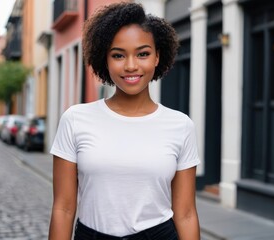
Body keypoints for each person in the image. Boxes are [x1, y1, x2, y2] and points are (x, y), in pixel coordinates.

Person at [48, 2, 200, 240]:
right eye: (118, 55)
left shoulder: (180, 125)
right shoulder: (75, 120)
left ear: (157, 56)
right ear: (104, 59)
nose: (131, 65)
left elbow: (187, 213)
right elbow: (63, 208)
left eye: (143, 54)